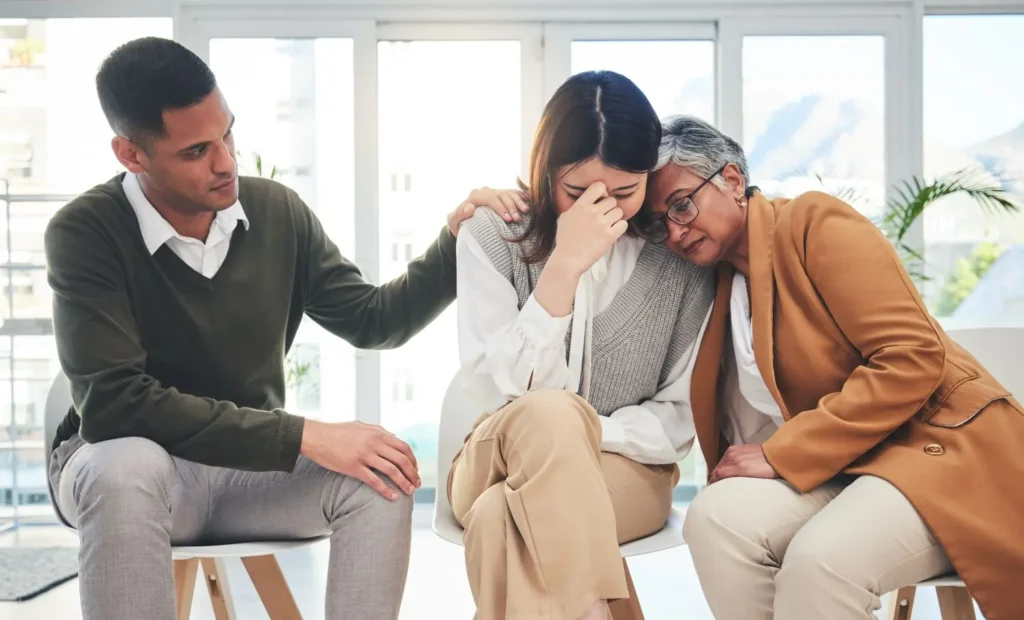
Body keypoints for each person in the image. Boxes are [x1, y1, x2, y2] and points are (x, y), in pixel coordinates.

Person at [44, 37, 522, 620]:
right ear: (131, 154)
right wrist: (305, 435)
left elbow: (375, 321)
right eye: (195, 151)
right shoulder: (85, 232)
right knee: (125, 466)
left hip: (246, 475)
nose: (225, 163)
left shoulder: (276, 213)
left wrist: (456, 240)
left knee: (381, 474)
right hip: (133, 471)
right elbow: (115, 405)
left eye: (228, 136)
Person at [639, 114, 1024, 620]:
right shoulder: (718, 285)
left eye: (681, 205)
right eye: (658, 222)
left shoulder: (813, 222)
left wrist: (783, 452)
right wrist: (499, 203)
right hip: (845, 468)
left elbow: (912, 357)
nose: (674, 231)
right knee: (714, 520)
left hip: (934, 452)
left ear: (733, 180)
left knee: (822, 562)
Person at [450, 72, 715, 620]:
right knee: (545, 414)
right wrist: (563, 269)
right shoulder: (492, 232)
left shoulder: (679, 260)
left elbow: (677, 420)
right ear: (543, 170)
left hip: (627, 471)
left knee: (503, 518)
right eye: (576, 192)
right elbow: (496, 391)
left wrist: (584, 433)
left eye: (624, 191)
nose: (602, 208)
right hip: (493, 459)